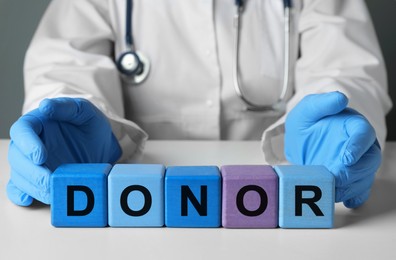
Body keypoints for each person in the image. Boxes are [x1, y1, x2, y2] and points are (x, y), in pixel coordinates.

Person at [7, 0, 392, 209]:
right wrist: (64, 113)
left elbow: (345, 66)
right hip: (138, 199)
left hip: (275, 192)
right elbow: (63, 62)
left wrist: (335, 121)